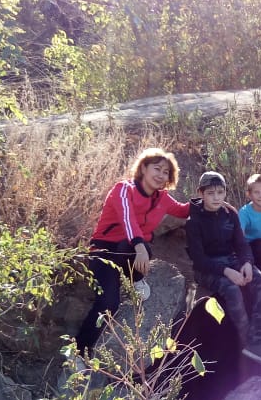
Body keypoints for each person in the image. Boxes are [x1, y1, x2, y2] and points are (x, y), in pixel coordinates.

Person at [75, 148, 189, 358]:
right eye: (156, 168)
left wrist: (209, 201)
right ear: (143, 168)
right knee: (109, 303)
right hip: (104, 252)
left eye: (165, 172)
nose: (161, 175)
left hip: (129, 251)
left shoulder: (162, 198)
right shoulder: (123, 189)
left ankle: (134, 279)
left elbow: (183, 210)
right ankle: (78, 353)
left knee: (135, 247)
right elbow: (127, 219)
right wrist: (139, 245)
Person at [186, 171, 261, 368]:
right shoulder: (194, 222)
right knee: (232, 290)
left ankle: (257, 342)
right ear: (201, 193)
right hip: (207, 269)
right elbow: (199, 260)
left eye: (220, 192)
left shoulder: (230, 214)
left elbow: (241, 244)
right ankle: (246, 342)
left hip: (231, 260)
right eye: (211, 193)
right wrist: (227, 272)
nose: (216, 198)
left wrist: (247, 263)